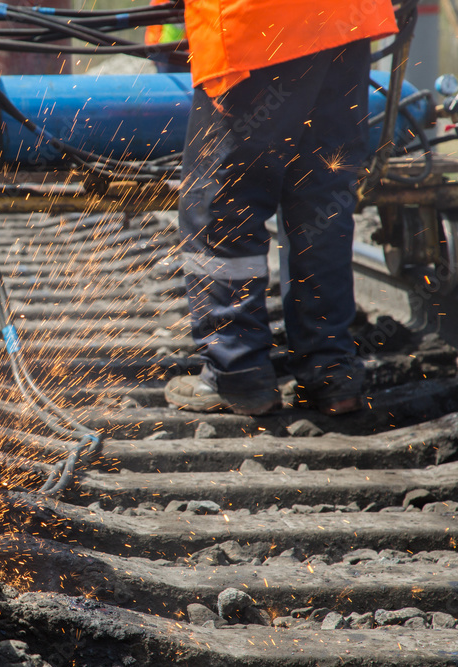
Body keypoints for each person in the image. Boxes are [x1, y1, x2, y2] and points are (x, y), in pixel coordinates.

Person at [164, 1, 398, 416]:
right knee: (321, 197)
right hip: (345, 20)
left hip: (255, 25)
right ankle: (332, 371)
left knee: (224, 204)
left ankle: (236, 371)